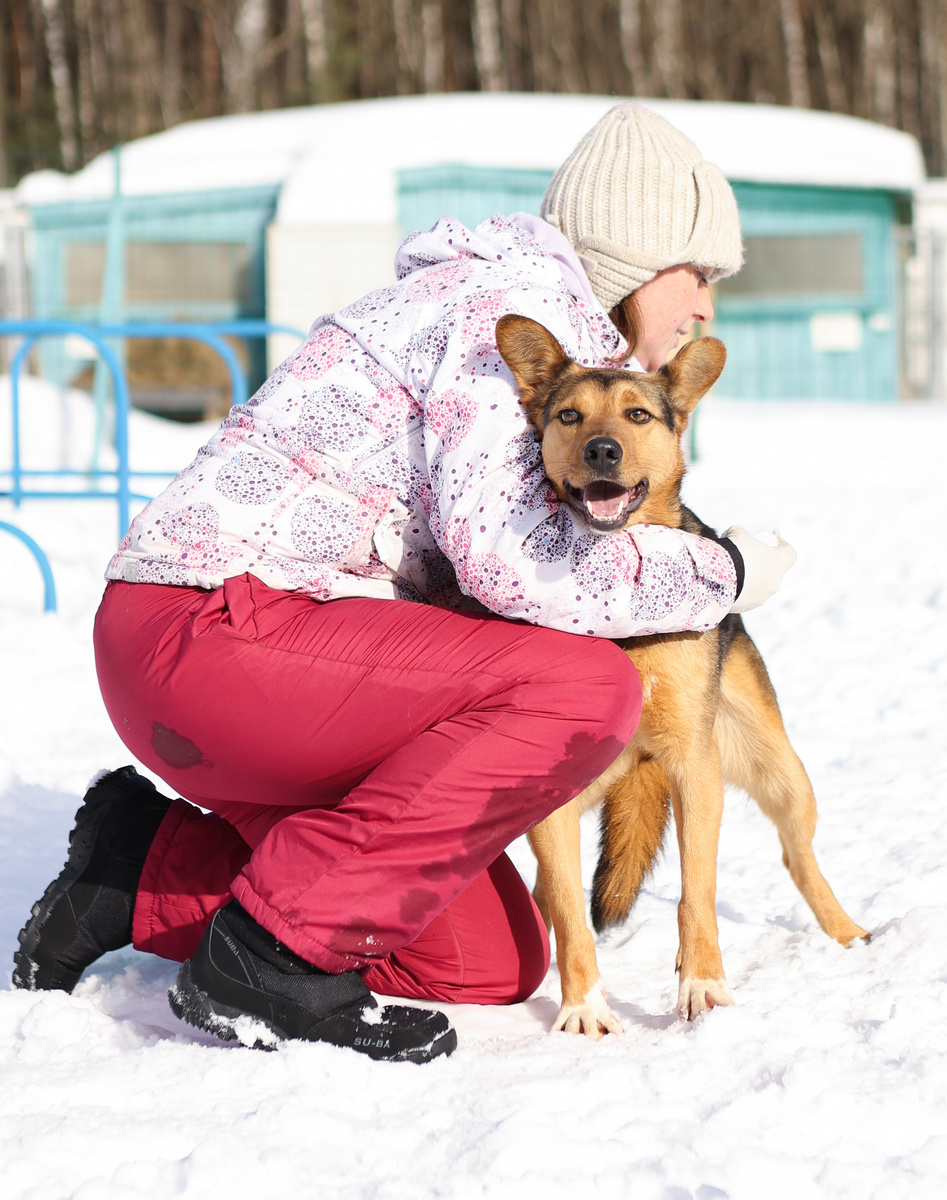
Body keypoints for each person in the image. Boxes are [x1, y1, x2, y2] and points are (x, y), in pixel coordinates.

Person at [13, 104, 795, 1062]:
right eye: (700, 272)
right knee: (586, 685)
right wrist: (723, 570)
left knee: (484, 959)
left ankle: (139, 871)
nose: (706, 303)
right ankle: (264, 965)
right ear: (635, 257)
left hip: (276, 657)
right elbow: (512, 562)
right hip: (207, 628)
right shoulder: (499, 316)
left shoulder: (542, 327)